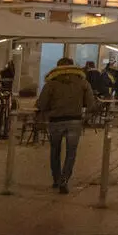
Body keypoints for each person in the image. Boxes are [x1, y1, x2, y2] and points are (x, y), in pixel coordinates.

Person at [35, 58, 96, 193]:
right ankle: (64, 179)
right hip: (74, 121)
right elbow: (91, 104)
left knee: (55, 151)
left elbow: (41, 104)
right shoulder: (83, 82)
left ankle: (56, 179)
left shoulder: (51, 83)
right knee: (71, 153)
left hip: (55, 121)